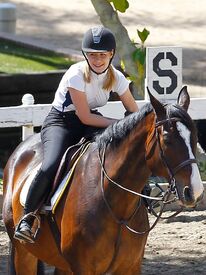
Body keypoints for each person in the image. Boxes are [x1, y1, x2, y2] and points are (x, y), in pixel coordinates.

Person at [14, 26, 139, 243]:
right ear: (85, 55)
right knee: (50, 163)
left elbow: (134, 112)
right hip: (62, 123)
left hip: (90, 120)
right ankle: (27, 217)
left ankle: (141, 196)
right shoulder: (76, 74)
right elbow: (85, 117)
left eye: (102, 55)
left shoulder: (116, 77)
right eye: (92, 55)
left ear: (111, 54)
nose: (97, 60)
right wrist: (119, 125)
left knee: (124, 151)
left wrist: (132, 129)